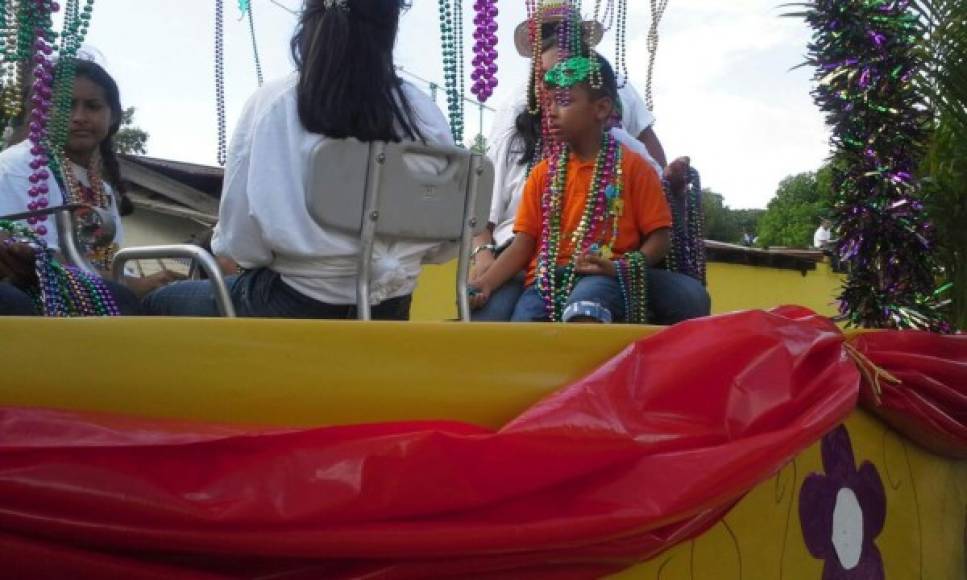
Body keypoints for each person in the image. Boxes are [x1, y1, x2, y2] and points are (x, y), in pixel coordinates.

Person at [142, 0, 454, 319]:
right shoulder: (425, 115)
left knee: (159, 301)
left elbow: (239, 245)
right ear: (390, 27)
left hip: (289, 306)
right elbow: (442, 238)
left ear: (310, 22)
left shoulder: (275, 103)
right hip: (391, 308)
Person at [471, 3, 699, 321]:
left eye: (563, 98)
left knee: (600, 302)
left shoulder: (630, 159)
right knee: (507, 323)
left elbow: (659, 227)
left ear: (603, 107)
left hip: (604, 273)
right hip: (535, 272)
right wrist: (484, 273)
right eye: (546, 91)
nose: (551, 108)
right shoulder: (524, 139)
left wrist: (625, 263)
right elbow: (515, 237)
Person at [0, 58, 175, 315]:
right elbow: (38, 260)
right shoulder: (16, 167)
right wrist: (134, 284)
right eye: (65, 106)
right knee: (123, 299)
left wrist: (145, 283)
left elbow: (108, 259)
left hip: (91, 296)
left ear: (113, 116)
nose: (79, 117)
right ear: (41, 111)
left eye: (92, 106)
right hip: (36, 303)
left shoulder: (102, 190)